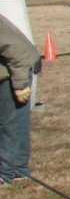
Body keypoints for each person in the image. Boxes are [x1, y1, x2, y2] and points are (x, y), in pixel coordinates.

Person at [0, 13, 39, 184]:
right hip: (10, 67)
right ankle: (19, 170)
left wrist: (20, 85)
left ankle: (5, 173)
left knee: (11, 123)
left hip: (17, 70)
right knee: (15, 122)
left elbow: (19, 53)